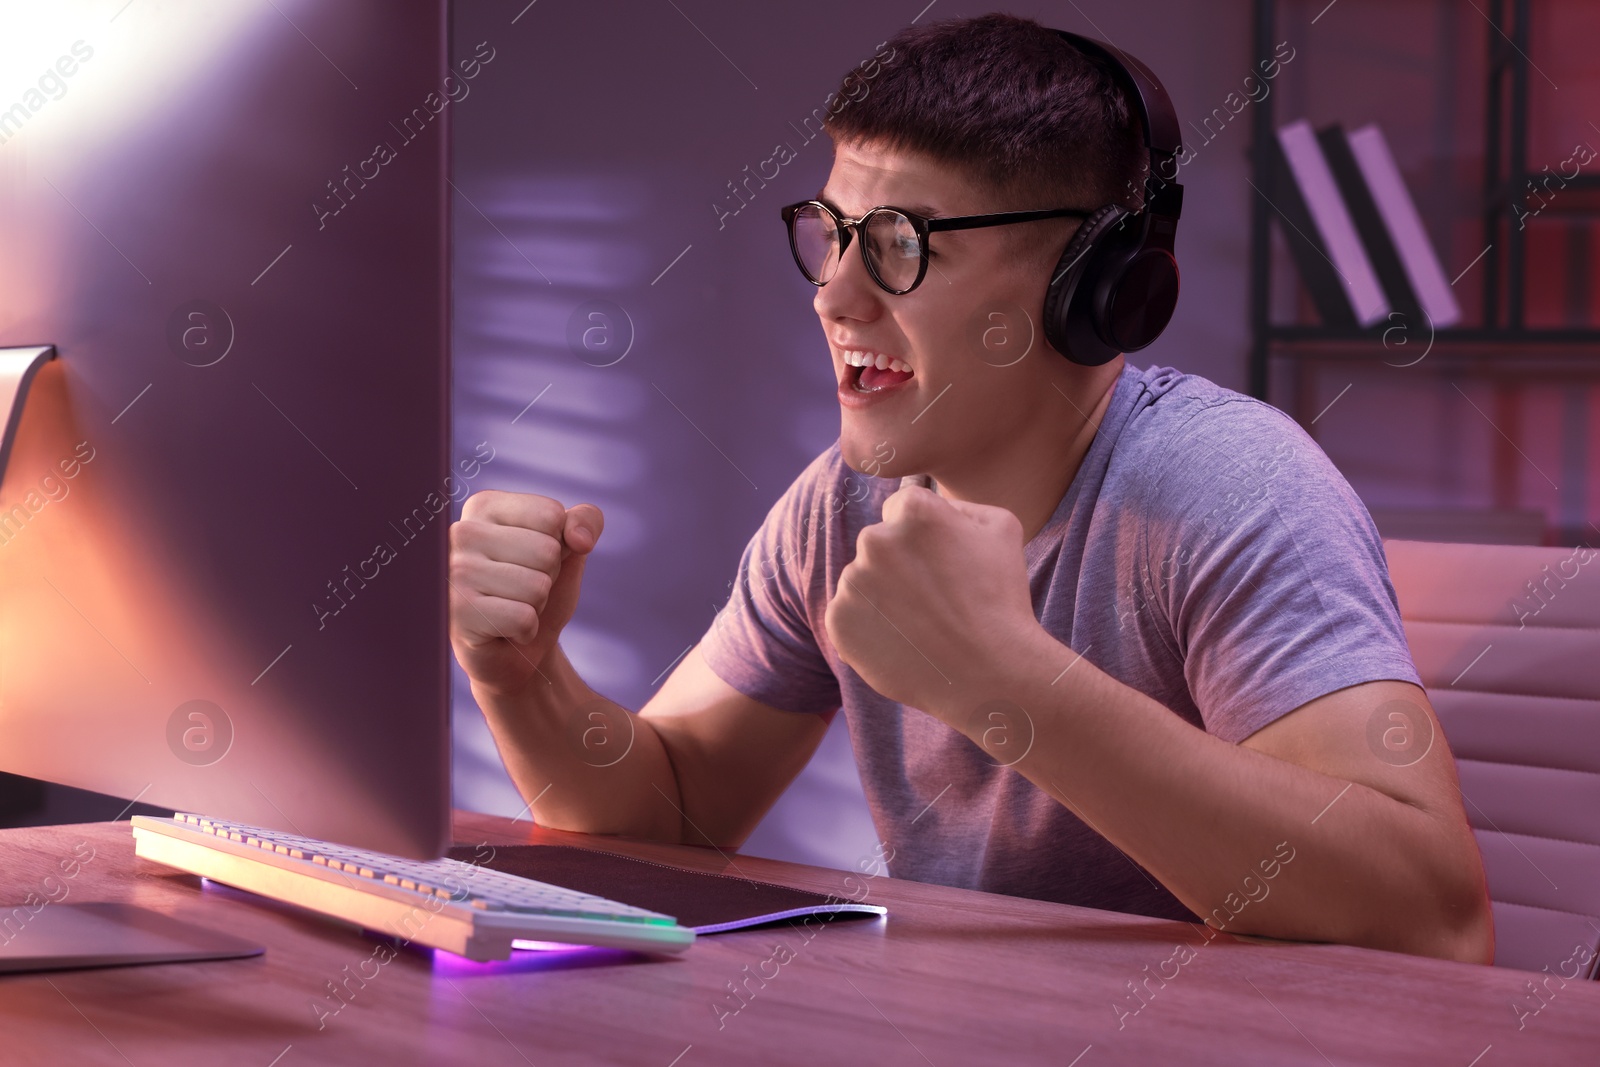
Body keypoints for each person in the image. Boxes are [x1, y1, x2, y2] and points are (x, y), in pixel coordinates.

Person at [447, 13, 1493, 964]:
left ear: (1097, 281)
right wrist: (526, 677)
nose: (833, 293)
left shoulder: (1230, 485)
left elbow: (1431, 920)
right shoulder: (839, 511)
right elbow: (667, 824)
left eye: (901, 244)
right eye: (832, 232)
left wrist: (1010, 684)